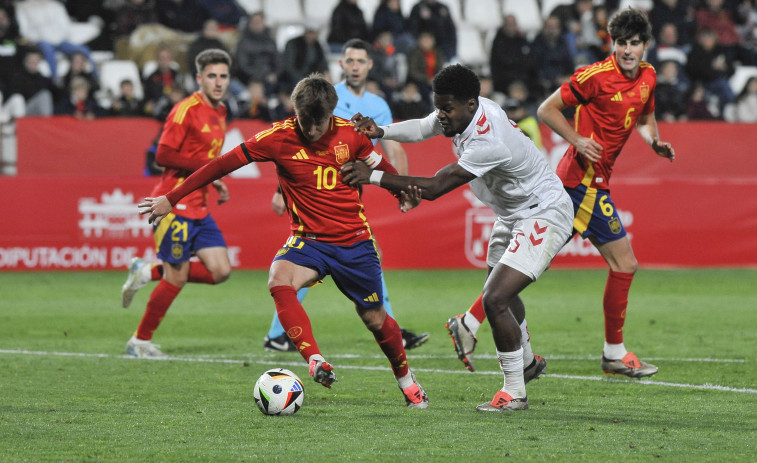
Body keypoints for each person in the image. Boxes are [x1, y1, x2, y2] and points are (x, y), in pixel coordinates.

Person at [138, 74, 429, 408]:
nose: (312, 130)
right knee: (279, 280)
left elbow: (382, 167)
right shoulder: (279, 137)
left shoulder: (352, 133)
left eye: (319, 124)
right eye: (306, 122)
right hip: (308, 241)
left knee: (375, 319)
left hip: (354, 243)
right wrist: (172, 197)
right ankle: (315, 360)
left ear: (331, 114)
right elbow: (221, 164)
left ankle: (407, 381)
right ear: (296, 111)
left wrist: (400, 192)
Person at [342, 64, 574, 412]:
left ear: (469, 103)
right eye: (439, 107)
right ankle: (525, 362)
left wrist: (372, 177)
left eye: (446, 109)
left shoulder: (487, 139)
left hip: (543, 211)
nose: (441, 115)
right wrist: (382, 131)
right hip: (513, 213)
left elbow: (435, 188)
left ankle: (515, 392)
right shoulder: (461, 111)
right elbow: (423, 126)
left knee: (494, 298)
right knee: (502, 295)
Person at [536, 8, 674, 377]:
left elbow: (645, 117)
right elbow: (546, 110)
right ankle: (614, 353)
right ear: (611, 43)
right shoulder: (593, 76)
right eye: (620, 43)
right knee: (624, 264)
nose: (627, 50)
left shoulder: (648, 76)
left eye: (634, 43)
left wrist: (654, 142)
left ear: (646, 45)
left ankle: (470, 320)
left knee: (534, 261)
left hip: (591, 183)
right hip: (580, 182)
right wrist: (578, 139)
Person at [266, 39, 428, 352]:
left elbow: (392, 146)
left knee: (313, 262)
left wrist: (401, 188)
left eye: (360, 61)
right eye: (349, 60)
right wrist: (279, 190)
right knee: (342, 257)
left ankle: (278, 333)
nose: (355, 66)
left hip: (350, 189)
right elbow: (301, 145)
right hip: (315, 191)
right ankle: (388, 324)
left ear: (370, 65)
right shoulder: (328, 97)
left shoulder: (379, 105)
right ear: (341, 64)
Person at [119, 49, 234, 358]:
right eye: (212, 76)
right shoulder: (185, 110)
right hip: (173, 204)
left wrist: (214, 178)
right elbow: (163, 155)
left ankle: (148, 271)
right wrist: (209, 169)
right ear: (199, 78)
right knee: (178, 278)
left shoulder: (221, 111)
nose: (218, 82)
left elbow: (204, 162)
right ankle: (139, 342)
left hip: (200, 206)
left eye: (223, 76)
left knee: (221, 271)